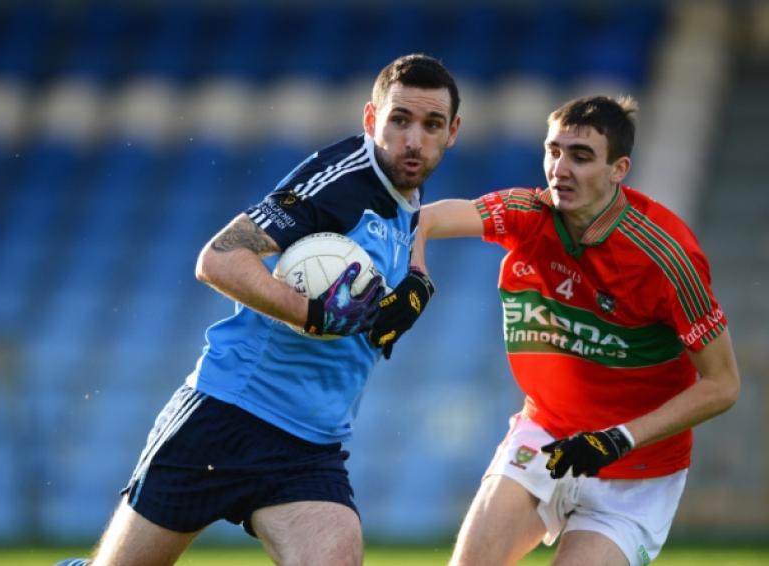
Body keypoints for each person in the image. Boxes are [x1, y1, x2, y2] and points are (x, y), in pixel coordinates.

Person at [56, 53, 460, 566]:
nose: (413, 140)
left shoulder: (407, 184)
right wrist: (309, 313)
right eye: (399, 120)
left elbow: (414, 221)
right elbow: (218, 260)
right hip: (227, 415)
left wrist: (418, 278)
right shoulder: (340, 183)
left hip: (309, 446)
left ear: (453, 132)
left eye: (431, 125)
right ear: (370, 119)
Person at [412, 95, 740, 566]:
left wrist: (618, 438)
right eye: (554, 150)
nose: (559, 169)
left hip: (637, 473)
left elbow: (723, 384)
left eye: (581, 156)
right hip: (544, 437)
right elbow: (421, 220)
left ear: (618, 169)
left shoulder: (668, 259)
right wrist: (417, 276)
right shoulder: (528, 213)